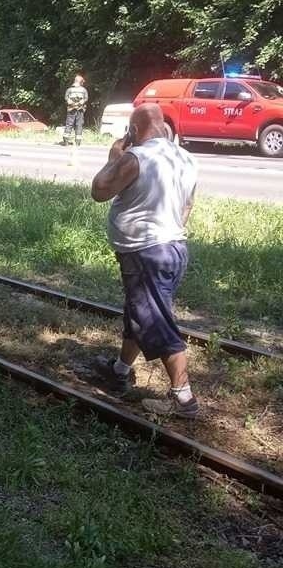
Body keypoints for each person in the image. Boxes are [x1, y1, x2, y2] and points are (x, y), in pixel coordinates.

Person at [90, 102, 199, 418]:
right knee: (139, 312)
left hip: (146, 252)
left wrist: (114, 158)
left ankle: (184, 398)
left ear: (134, 130)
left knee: (153, 320)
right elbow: (187, 206)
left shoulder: (136, 157)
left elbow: (99, 190)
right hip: (174, 247)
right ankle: (120, 371)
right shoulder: (186, 158)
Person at [62, 73, 88, 146]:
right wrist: (80, 103)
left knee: (69, 124)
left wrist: (71, 103)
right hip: (80, 109)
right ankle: (78, 142)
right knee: (79, 125)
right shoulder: (84, 90)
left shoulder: (69, 90)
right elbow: (86, 98)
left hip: (71, 109)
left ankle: (66, 141)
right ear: (81, 82)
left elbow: (66, 98)